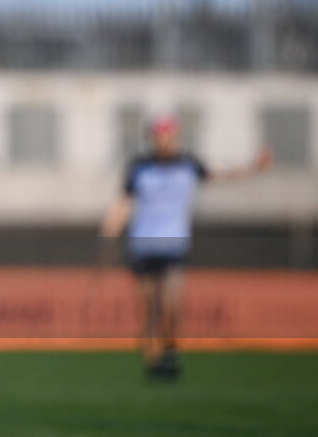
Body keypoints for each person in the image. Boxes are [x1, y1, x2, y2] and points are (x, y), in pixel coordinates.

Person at [100, 115, 271, 380]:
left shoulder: (189, 165)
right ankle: (153, 361)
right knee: (148, 308)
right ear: (153, 139)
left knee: (170, 303)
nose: (164, 141)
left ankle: (170, 349)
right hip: (142, 245)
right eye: (160, 136)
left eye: (169, 136)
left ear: (176, 138)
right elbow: (125, 200)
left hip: (174, 245)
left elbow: (224, 175)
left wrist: (254, 168)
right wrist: (111, 228)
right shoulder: (139, 167)